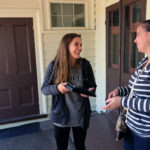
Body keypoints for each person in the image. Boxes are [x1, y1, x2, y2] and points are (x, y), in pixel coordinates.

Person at [41, 33, 96, 150]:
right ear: (66, 46)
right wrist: (58, 88)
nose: (80, 48)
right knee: (62, 147)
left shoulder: (85, 65)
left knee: (80, 146)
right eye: (76, 44)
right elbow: (44, 89)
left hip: (81, 116)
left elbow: (92, 85)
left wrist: (89, 91)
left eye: (81, 45)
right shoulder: (54, 66)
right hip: (61, 117)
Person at [101, 20, 150, 150]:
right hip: (130, 126)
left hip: (145, 134)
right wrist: (119, 91)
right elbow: (135, 90)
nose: (135, 40)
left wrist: (122, 101)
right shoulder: (144, 62)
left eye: (138, 34)